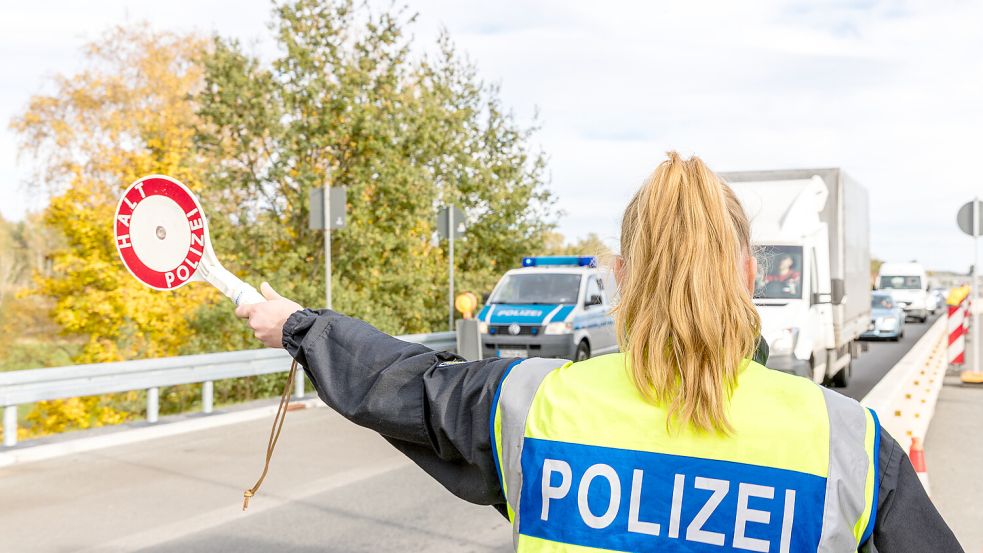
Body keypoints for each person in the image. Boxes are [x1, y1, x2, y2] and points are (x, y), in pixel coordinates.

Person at [236, 152, 961, 552]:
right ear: (747, 272)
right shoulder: (846, 444)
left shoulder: (534, 402)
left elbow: (399, 383)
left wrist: (297, 324)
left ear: (620, 276)